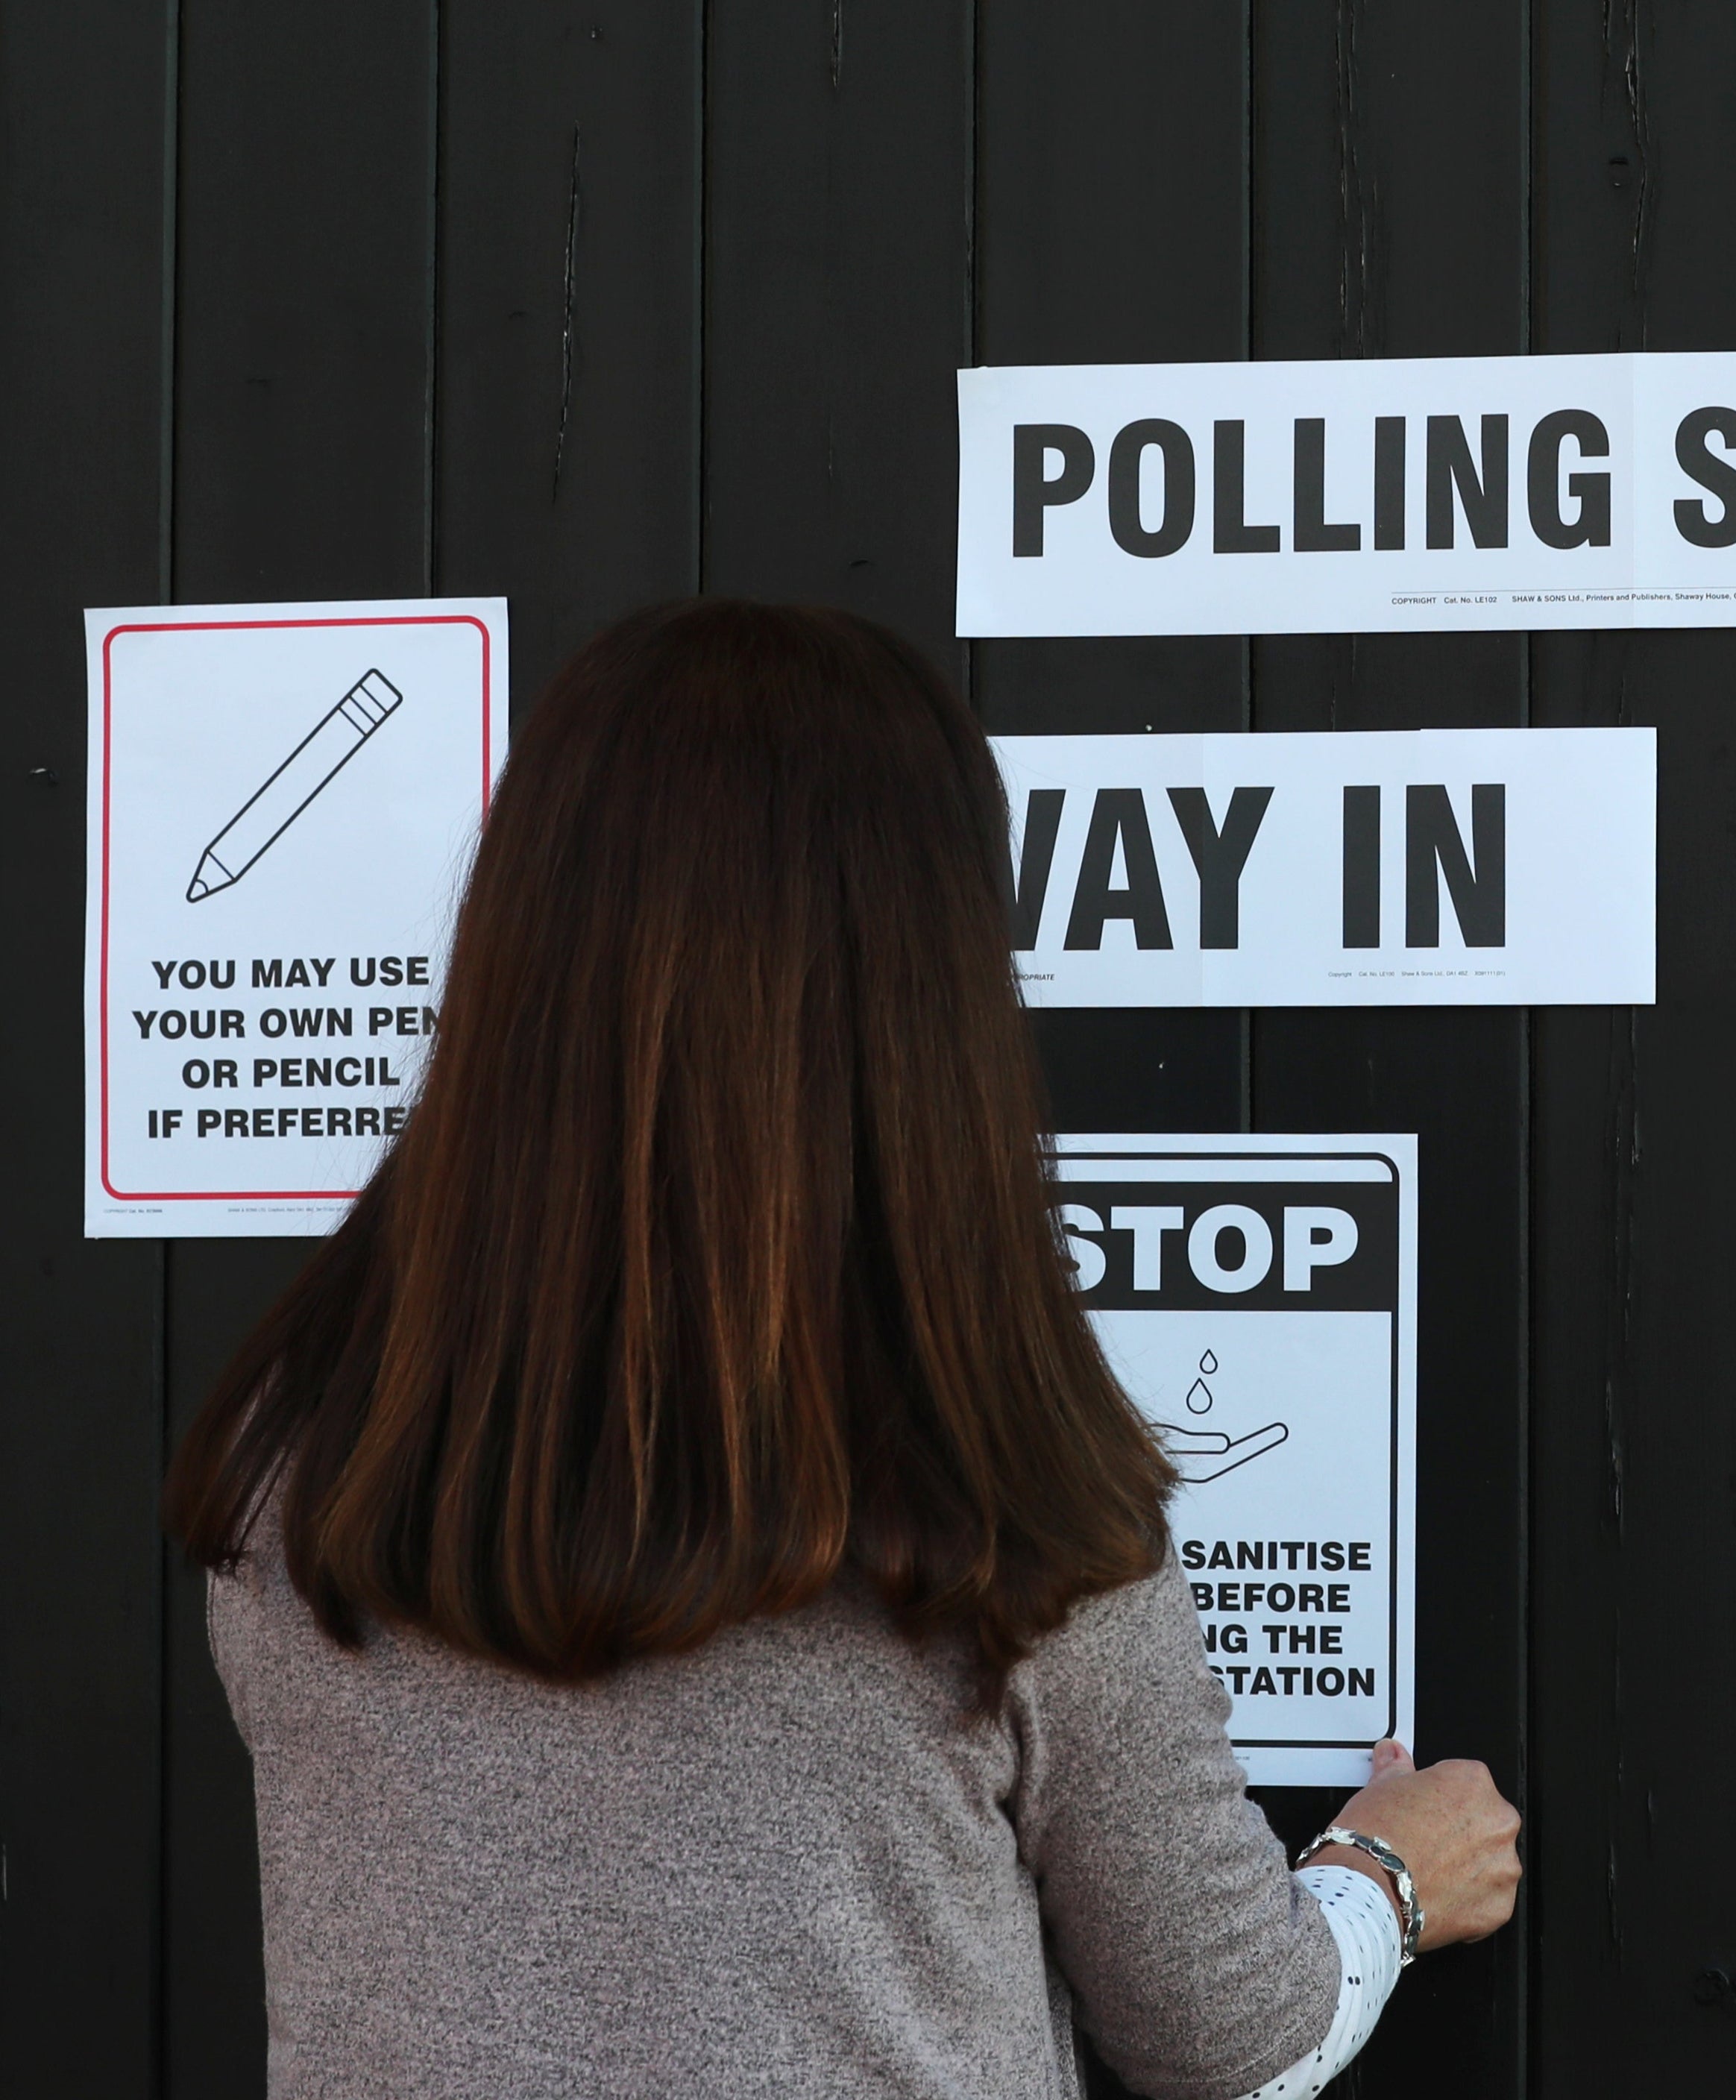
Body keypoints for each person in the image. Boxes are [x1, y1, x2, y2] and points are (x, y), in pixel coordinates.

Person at [162, 601, 1520, 2100]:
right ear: (923, 995)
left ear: (521, 952)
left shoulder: (296, 1466)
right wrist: (1387, 1874)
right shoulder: (998, 1504)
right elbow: (1227, 2037)